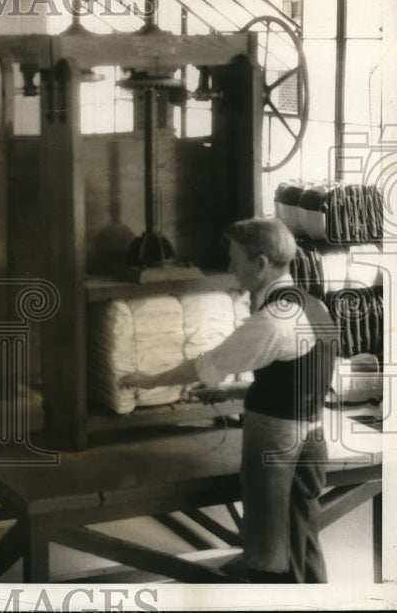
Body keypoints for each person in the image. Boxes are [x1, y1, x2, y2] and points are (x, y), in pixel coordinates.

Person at [118, 217, 338, 583]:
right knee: (301, 547)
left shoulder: (271, 320)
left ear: (262, 264)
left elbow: (207, 365)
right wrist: (232, 391)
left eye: (236, 260)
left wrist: (146, 380)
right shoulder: (314, 306)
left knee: (273, 562)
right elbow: (300, 381)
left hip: (278, 450)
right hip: (310, 444)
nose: (231, 268)